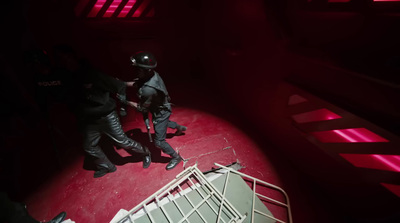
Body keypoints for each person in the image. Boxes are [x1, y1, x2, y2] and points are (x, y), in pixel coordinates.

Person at [52, 44, 151, 178]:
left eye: (67, 58)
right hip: (88, 121)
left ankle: (146, 153)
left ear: (73, 57)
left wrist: (123, 107)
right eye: (61, 60)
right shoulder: (65, 78)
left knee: (123, 142)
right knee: (89, 147)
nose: (65, 62)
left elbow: (119, 86)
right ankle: (106, 167)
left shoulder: (92, 74)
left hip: (106, 116)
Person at [126, 51, 187, 170]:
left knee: (158, 142)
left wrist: (125, 101)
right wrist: (122, 84)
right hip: (159, 108)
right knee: (161, 124)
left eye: (138, 69)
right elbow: (138, 84)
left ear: (146, 70)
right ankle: (180, 128)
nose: (135, 71)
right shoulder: (151, 74)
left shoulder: (149, 89)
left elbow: (141, 107)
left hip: (161, 111)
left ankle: (175, 157)